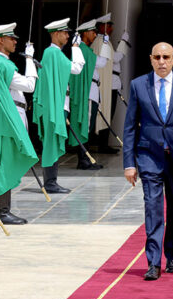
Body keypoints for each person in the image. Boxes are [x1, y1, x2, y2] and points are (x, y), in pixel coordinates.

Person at [123, 42, 173, 280]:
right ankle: (153, 262)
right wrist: (129, 163)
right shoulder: (138, 85)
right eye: (157, 57)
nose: (161, 62)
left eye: (166, 57)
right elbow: (130, 126)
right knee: (153, 208)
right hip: (149, 156)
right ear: (151, 59)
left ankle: (172, 252)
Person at [0, 23, 39, 225]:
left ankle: (5, 210)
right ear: (0, 40)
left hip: (11, 115)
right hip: (10, 117)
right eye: (11, 38)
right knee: (5, 164)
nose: (15, 41)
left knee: (7, 162)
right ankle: (3, 212)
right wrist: (29, 59)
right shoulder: (3, 65)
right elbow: (30, 85)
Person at [32, 18, 85, 193]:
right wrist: (76, 48)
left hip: (58, 104)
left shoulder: (53, 53)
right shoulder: (53, 53)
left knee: (52, 142)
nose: (68, 36)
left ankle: (51, 181)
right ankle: (50, 183)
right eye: (65, 33)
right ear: (56, 34)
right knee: (51, 143)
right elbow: (77, 68)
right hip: (55, 106)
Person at [71, 18, 108, 170]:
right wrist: (105, 45)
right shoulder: (83, 49)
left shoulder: (84, 49)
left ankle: (86, 159)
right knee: (85, 127)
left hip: (92, 91)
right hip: (88, 93)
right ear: (85, 33)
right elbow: (102, 63)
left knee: (87, 127)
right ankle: (84, 161)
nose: (94, 35)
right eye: (93, 32)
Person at [90, 13, 126, 154]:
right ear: (102, 27)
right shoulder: (102, 41)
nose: (111, 28)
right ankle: (102, 144)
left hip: (111, 82)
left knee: (107, 113)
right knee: (106, 113)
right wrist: (123, 42)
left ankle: (102, 143)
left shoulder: (104, 41)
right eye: (108, 25)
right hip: (108, 83)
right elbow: (116, 58)